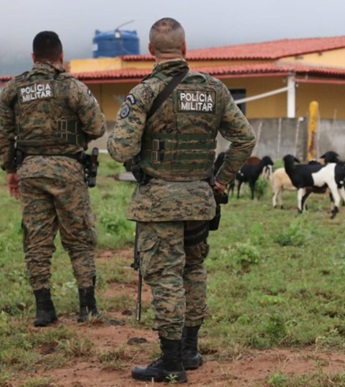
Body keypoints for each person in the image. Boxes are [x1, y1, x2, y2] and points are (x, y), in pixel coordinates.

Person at [107, 17, 255, 383]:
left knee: (166, 276)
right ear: (186, 49)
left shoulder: (143, 92)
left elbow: (120, 147)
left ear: (149, 50)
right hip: (200, 200)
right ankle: (190, 349)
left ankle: (171, 363)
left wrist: (135, 153)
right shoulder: (215, 91)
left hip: (159, 202)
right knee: (193, 270)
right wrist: (219, 182)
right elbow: (245, 140)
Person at [0, 31, 106, 327]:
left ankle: (44, 308)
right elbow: (97, 126)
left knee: (37, 239)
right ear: (61, 56)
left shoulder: (13, 89)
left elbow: (4, 133)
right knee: (80, 237)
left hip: (30, 170)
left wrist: (10, 170)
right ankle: (87, 306)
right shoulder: (72, 87)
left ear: (33, 58)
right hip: (69, 171)